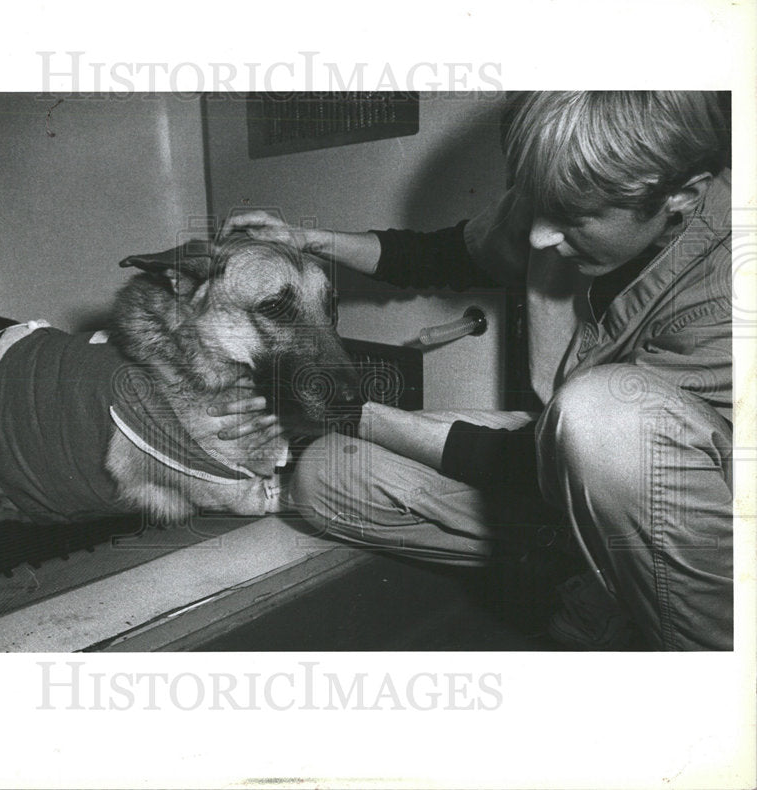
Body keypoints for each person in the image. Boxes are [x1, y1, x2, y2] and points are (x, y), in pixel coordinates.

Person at [214, 91, 733, 651]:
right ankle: (601, 582)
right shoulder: (558, 199)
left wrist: (347, 412)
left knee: (604, 422)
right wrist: (308, 241)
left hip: (699, 507)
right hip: (563, 472)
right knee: (324, 479)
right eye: (535, 206)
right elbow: (443, 256)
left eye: (572, 219)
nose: (538, 238)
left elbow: (530, 459)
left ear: (684, 196)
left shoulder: (731, 283)